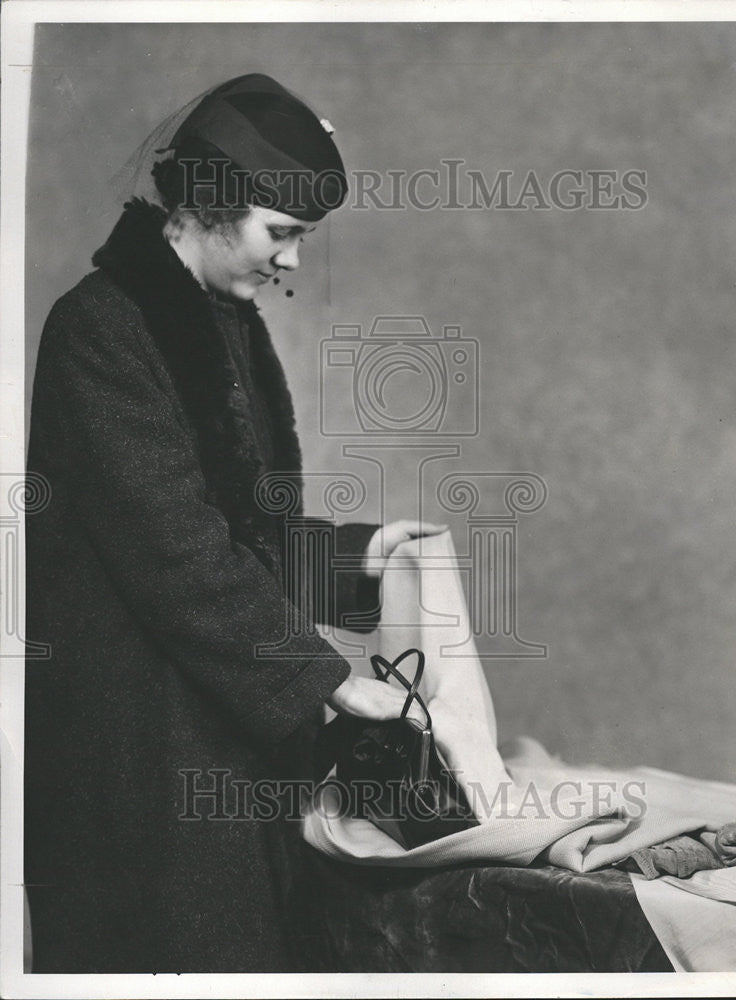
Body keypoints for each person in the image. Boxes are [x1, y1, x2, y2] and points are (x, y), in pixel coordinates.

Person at [24, 73, 442, 974]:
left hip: (215, 732)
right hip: (138, 748)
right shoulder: (98, 329)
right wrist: (331, 679)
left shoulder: (225, 325)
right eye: (281, 233)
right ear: (212, 205)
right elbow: (175, 551)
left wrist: (359, 552)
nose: (290, 261)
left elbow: (248, 526)